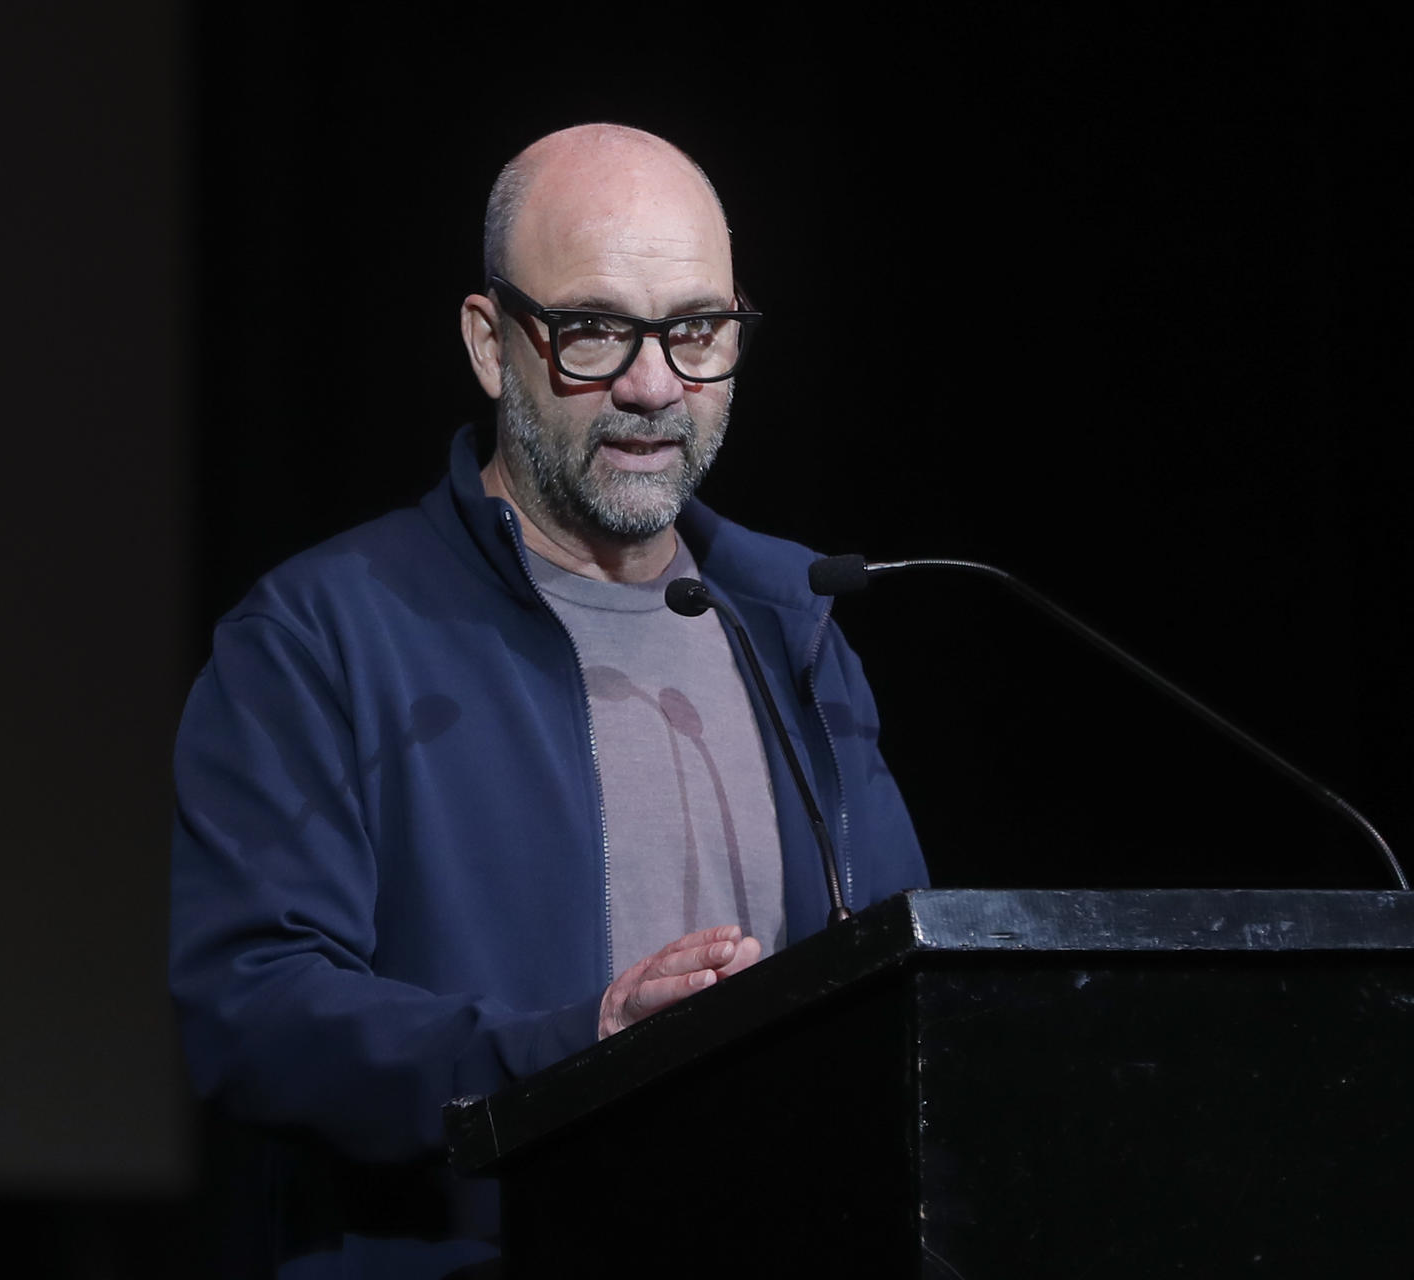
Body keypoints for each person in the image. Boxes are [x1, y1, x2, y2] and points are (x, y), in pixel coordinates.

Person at [169, 124, 927, 1278]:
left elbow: (910, 996)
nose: (651, 383)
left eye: (696, 331)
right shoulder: (326, 635)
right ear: (490, 342)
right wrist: (569, 1052)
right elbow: (253, 1010)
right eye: (593, 330)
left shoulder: (793, 623)